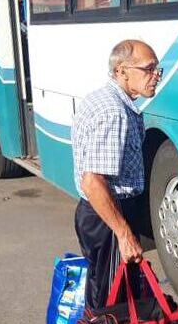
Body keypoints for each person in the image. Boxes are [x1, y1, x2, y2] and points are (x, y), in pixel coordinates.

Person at [71, 39, 162, 318]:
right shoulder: (113, 112)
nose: (156, 75)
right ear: (122, 71)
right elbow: (92, 182)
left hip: (103, 215)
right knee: (111, 308)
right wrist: (123, 234)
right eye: (148, 69)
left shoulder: (106, 100)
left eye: (158, 68)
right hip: (108, 218)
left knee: (113, 299)